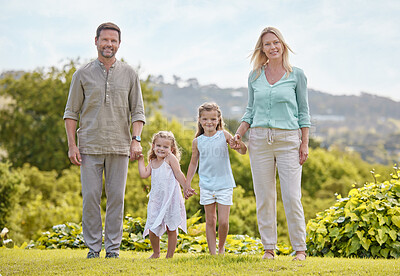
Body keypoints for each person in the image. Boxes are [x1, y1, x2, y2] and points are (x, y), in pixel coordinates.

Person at [63, 22, 145, 259]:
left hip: (120, 146)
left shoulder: (130, 74)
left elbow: (137, 112)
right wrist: (72, 145)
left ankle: (113, 249)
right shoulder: (82, 74)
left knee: (116, 199)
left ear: (119, 44)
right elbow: (71, 113)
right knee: (90, 197)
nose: (109, 44)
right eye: (105, 40)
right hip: (89, 145)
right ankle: (92, 248)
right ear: (96, 41)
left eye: (114, 41)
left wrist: (136, 140)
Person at [232, 27, 311, 261]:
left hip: (288, 141)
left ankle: (300, 249)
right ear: (262, 49)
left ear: (283, 45)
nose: (272, 47)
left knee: (291, 196)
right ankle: (269, 248)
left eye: (276, 42)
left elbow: (304, 113)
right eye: (267, 44)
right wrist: (240, 132)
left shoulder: (297, 75)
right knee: (264, 196)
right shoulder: (255, 75)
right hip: (259, 141)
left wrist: (303, 143)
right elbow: (250, 109)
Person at [186, 102, 247, 255]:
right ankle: (213, 253)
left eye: (213, 119)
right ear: (200, 120)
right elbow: (193, 163)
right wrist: (187, 183)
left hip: (224, 184)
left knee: (223, 222)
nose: (209, 122)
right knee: (210, 221)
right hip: (206, 185)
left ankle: (221, 248)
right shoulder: (197, 142)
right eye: (205, 119)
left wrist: (239, 144)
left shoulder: (224, 135)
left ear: (219, 119)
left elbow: (243, 151)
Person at [138, 131, 195, 258]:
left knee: (171, 227)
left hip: (171, 198)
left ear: (171, 149)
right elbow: (143, 174)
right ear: (153, 146)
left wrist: (186, 187)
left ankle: (169, 255)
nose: (161, 149)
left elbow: (179, 174)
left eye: (165, 147)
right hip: (157, 199)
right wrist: (141, 160)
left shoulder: (170, 159)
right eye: (158, 145)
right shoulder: (152, 161)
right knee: (152, 226)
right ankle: (156, 253)